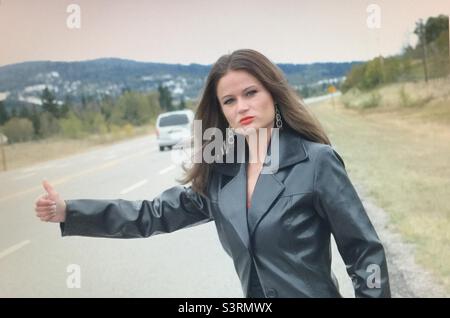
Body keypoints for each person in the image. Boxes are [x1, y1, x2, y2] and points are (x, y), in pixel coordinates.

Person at [34, 49, 391, 298]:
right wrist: (71, 211)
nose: (243, 106)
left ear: (274, 93)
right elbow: (152, 215)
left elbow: (364, 252)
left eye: (251, 92)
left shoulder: (316, 162)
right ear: (220, 111)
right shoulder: (220, 173)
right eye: (230, 100)